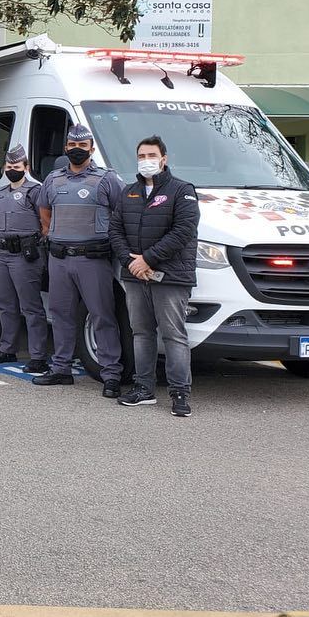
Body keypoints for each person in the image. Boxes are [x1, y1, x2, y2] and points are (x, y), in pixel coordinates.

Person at [109, 135, 199, 417]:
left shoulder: (182, 190)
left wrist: (148, 258)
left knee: (173, 335)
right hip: (136, 277)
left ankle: (180, 393)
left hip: (170, 276)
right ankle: (143, 389)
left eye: (151, 155)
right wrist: (132, 262)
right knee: (141, 333)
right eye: (141, 156)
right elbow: (115, 231)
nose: (146, 161)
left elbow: (183, 231)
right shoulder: (129, 192)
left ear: (164, 159)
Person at [35, 123, 125, 397]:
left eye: (82, 146)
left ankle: (111, 374)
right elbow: (44, 212)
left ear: (91, 148)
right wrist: (54, 235)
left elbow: (121, 214)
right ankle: (61, 369)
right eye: (72, 146)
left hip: (93, 260)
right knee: (61, 315)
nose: (77, 150)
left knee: (102, 316)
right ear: (66, 147)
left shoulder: (107, 179)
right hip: (60, 258)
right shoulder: (53, 179)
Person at [0, 144, 50, 375]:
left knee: (31, 307)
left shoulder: (35, 191)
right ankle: (8, 348)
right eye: (9, 166)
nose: (12, 169)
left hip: (24, 256)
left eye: (16, 166)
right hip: (1, 254)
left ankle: (38, 356)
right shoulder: (0, 192)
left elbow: (45, 223)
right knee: (5, 305)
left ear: (25, 168)